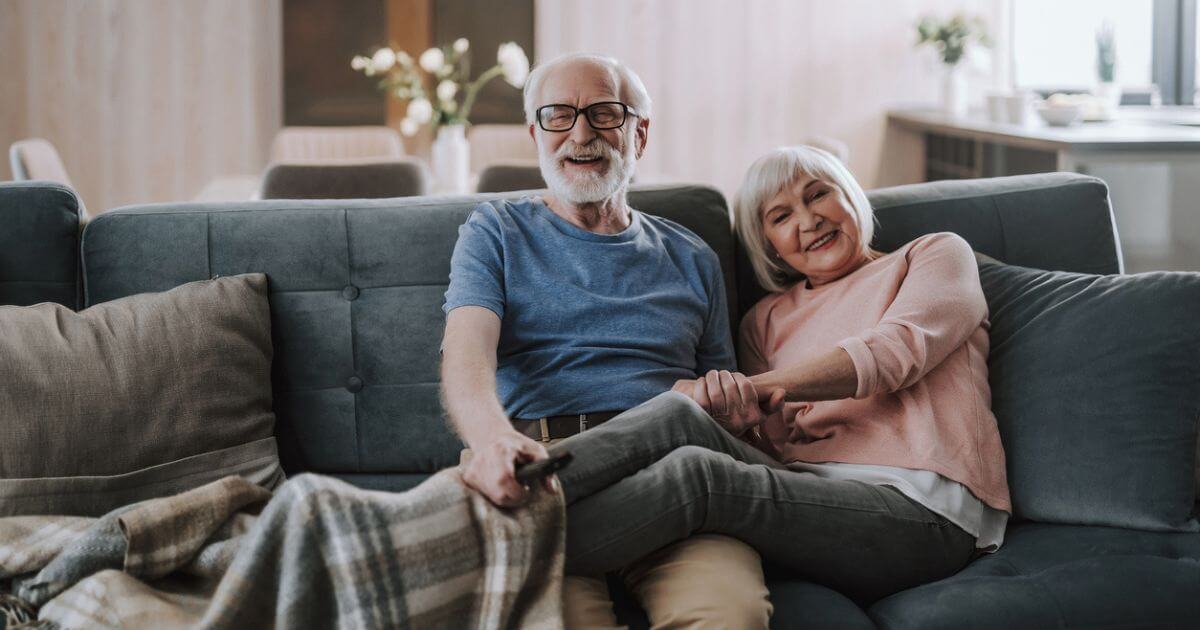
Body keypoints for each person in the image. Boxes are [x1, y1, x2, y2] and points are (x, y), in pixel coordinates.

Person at [548, 145, 1012, 604]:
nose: (808, 221)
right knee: (680, 412)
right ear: (768, 244)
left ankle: (510, 547)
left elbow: (896, 353)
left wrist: (756, 387)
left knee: (699, 476)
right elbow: (770, 448)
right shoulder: (765, 320)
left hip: (922, 512)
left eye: (817, 195)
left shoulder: (931, 255)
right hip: (807, 496)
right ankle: (506, 491)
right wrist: (729, 415)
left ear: (851, 195)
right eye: (781, 216)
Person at [440, 53, 771, 628]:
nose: (582, 133)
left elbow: (722, 399)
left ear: (640, 134)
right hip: (546, 473)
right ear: (535, 134)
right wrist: (493, 440)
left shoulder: (692, 255)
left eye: (604, 113)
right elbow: (467, 353)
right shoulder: (494, 231)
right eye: (559, 116)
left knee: (732, 616)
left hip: (674, 479)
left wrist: (737, 415)